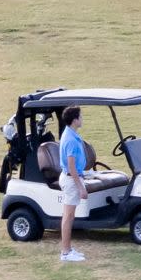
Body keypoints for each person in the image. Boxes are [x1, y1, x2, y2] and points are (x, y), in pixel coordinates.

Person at [58, 105, 88, 262]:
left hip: (72, 177)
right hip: (71, 179)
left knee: (69, 215)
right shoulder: (70, 139)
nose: (82, 119)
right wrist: (81, 187)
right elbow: (71, 166)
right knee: (68, 216)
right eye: (80, 117)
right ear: (74, 120)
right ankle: (65, 252)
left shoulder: (72, 135)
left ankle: (68, 249)